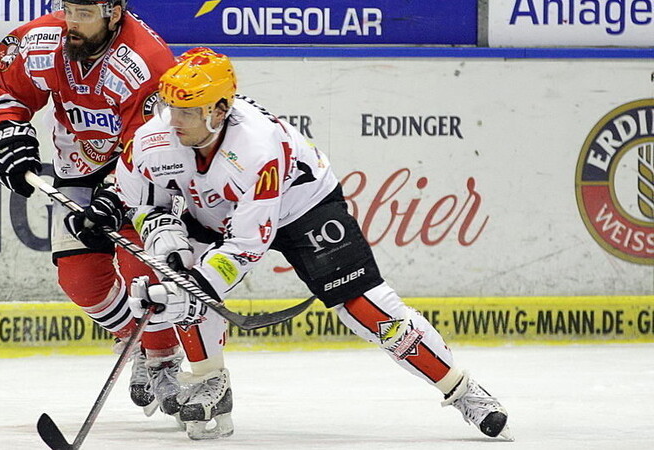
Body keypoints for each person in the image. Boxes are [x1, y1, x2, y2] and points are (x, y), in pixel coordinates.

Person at [116, 47, 514, 441]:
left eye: (188, 111)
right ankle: (208, 382)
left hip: (302, 204)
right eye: (170, 108)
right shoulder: (153, 138)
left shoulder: (257, 148)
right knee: (181, 274)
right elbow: (138, 199)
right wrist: (164, 240)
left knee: (366, 307)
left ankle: (461, 390)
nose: (173, 121)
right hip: (219, 203)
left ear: (219, 111)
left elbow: (247, 244)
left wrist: (194, 288)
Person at [0, 0, 184, 417]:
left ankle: (166, 361)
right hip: (78, 169)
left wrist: (114, 195)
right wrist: (11, 136)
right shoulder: (46, 38)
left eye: (84, 14)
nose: (72, 22)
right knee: (80, 281)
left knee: (141, 270)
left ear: (115, 12)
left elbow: (150, 146)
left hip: (143, 168)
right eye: (66, 9)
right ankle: (138, 342)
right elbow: (3, 81)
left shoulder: (145, 60)